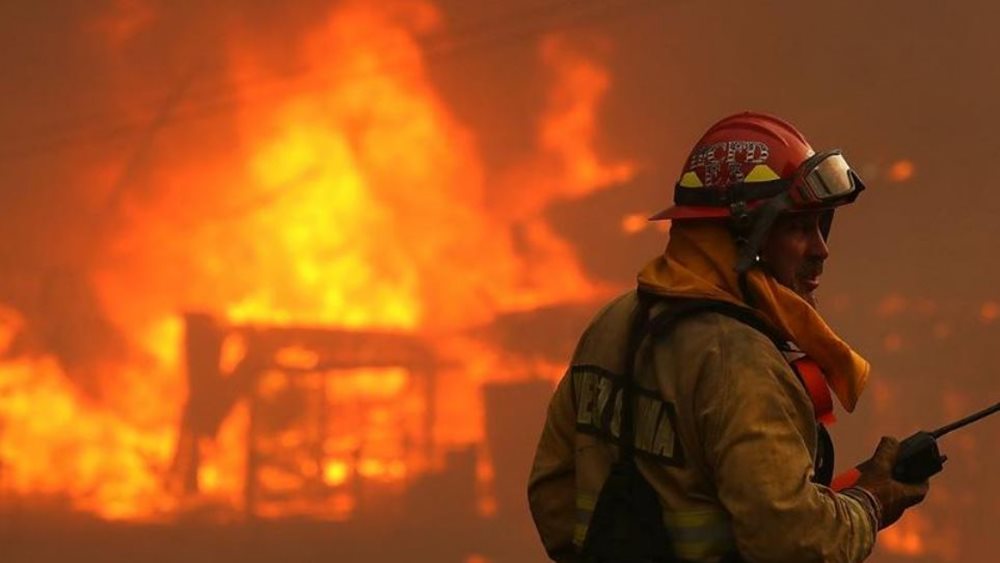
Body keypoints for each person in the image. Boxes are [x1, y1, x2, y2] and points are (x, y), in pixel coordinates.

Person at [527, 112, 930, 562]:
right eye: (799, 227)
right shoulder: (742, 362)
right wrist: (869, 505)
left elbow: (552, 495)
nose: (822, 250)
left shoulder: (613, 324)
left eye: (822, 225)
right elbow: (795, 544)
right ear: (742, 239)